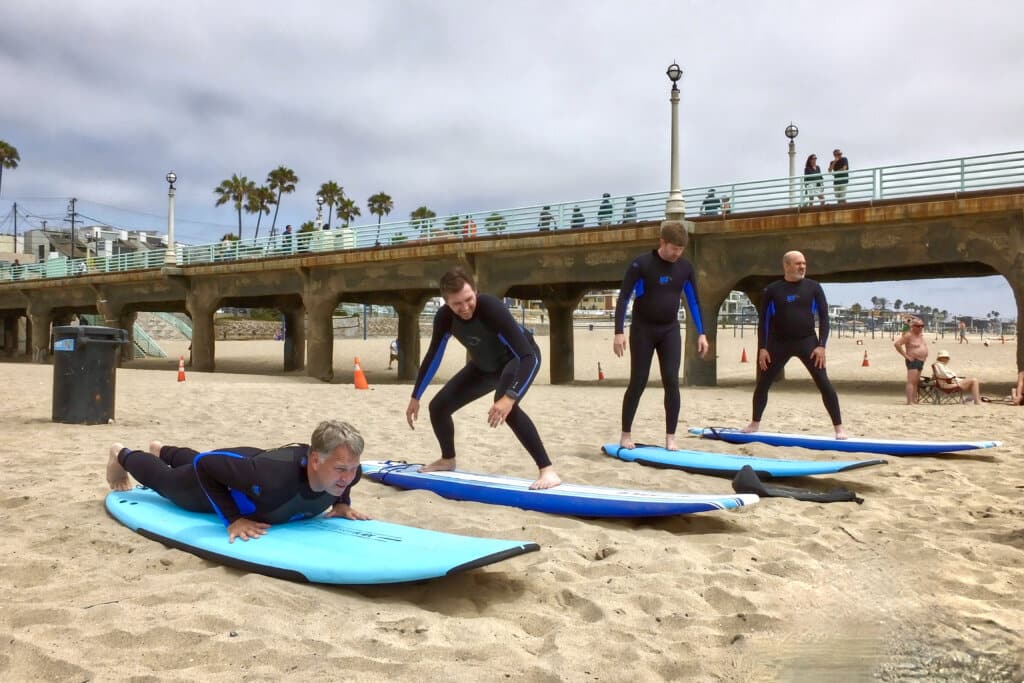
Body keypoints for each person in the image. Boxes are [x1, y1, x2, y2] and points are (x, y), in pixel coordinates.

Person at [405, 266, 561, 490]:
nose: (465, 307)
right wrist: (415, 396)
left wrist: (510, 397)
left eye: (469, 299)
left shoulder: (490, 308)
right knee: (438, 407)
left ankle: (548, 470)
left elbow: (528, 356)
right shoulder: (444, 318)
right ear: (446, 302)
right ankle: (448, 459)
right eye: (457, 304)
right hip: (485, 366)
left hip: (517, 359)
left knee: (507, 407)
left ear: (476, 291)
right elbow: (433, 357)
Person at [104, 420, 368, 543]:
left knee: (211, 462)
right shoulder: (269, 478)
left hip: (246, 466)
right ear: (315, 461)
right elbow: (205, 465)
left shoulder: (350, 472)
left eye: (353, 468)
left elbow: (348, 476)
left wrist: (342, 503)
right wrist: (233, 519)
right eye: (341, 468)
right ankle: (121, 454)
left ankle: (162, 450)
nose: (348, 476)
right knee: (169, 482)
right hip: (239, 474)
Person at [613, 220, 709, 451]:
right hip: (642, 329)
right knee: (638, 381)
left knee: (671, 381)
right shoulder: (641, 265)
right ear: (662, 243)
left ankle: (670, 438)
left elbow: (694, 302)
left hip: (669, 329)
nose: (677, 253)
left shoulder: (685, 268)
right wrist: (619, 331)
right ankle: (626, 435)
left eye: (681, 249)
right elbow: (624, 298)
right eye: (674, 248)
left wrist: (702, 333)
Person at [743, 251, 847, 438]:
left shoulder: (813, 287)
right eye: (798, 263)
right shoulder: (772, 290)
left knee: (823, 383)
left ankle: (839, 428)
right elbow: (764, 321)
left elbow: (824, 318)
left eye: (804, 263)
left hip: (808, 342)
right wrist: (763, 349)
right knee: (763, 384)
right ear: (786, 265)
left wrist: (822, 346)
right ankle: (754, 423)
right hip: (778, 343)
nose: (802, 266)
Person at [894, 318, 929, 404]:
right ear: (913, 326)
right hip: (913, 360)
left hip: (921, 360)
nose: (920, 328)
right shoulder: (908, 335)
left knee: (916, 381)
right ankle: (909, 401)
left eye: (922, 326)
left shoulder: (921, 335)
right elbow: (897, 344)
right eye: (918, 326)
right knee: (911, 381)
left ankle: (914, 400)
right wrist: (906, 356)